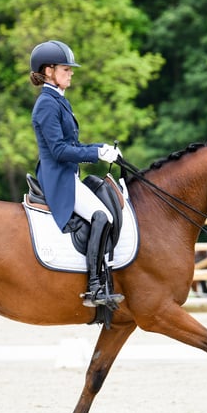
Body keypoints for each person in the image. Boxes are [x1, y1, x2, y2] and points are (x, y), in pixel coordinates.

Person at [29, 40, 124, 308]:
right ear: (49, 71)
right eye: (65, 69)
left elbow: (74, 146)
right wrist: (95, 155)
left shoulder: (58, 101)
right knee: (102, 216)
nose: (71, 73)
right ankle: (94, 286)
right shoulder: (47, 104)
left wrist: (100, 148)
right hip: (58, 178)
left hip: (66, 174)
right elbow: (59, 150)